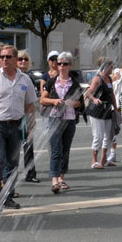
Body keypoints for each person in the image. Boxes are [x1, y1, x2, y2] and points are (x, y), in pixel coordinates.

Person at [0, 44, 37, 212]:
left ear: (15, 59)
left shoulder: (24, 79)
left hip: (16, 126)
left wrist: (31, 125)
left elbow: (30, 105)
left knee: (12, 164)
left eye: (8, 57)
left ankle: (8, 197)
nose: (4, 59)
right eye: (2, 57)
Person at [39, 52, 84, 194]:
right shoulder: (52, 82)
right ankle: (54, 180)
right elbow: (42, 100)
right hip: (54, 118)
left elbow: (80, 104)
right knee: (55, 149)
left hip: (69, 119)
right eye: (59, 63)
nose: (62, 66)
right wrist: (54, 101)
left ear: (70, 65)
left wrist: (72, 103)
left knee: (65, 150)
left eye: (65, 63)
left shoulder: (74, 83)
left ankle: (61, 178)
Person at [84, 59, 117, 169]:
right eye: (111, 67)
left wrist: (116, 107)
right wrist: (94, 99)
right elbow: (88, 92)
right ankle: (94, 160)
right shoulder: (97, 78)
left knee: (108, 136)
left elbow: (112, 94)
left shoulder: (109, 79)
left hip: (107, 110)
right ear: (105, 67)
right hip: (97, 111)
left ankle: (104, 159)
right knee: (98, 136)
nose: (112, 69)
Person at [16, 50, 39, 183]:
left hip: (25, 115)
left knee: (29, 146)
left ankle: (30, 173)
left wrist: (32, 119)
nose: (23, 61)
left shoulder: (29, 78)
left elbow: (31, 101)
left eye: (25, 59)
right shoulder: (13, 76)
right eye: (20, 59)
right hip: (13, 117)